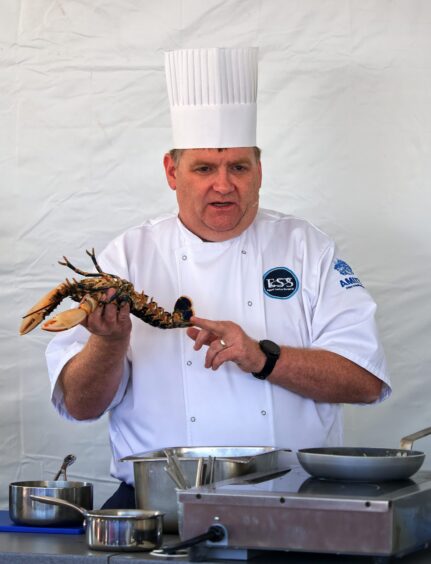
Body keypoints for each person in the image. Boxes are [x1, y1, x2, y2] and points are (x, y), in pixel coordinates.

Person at [46, 47, 391, 508]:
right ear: (173, 172)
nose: (224, 184)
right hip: (157, 505)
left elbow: (365, 381)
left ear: (260, 170)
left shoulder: (307, 250)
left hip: (294, 505)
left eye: (239, 167)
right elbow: (79, 405)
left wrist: (263, 358)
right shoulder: (127, 258)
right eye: (204, 168)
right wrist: (108, 344)